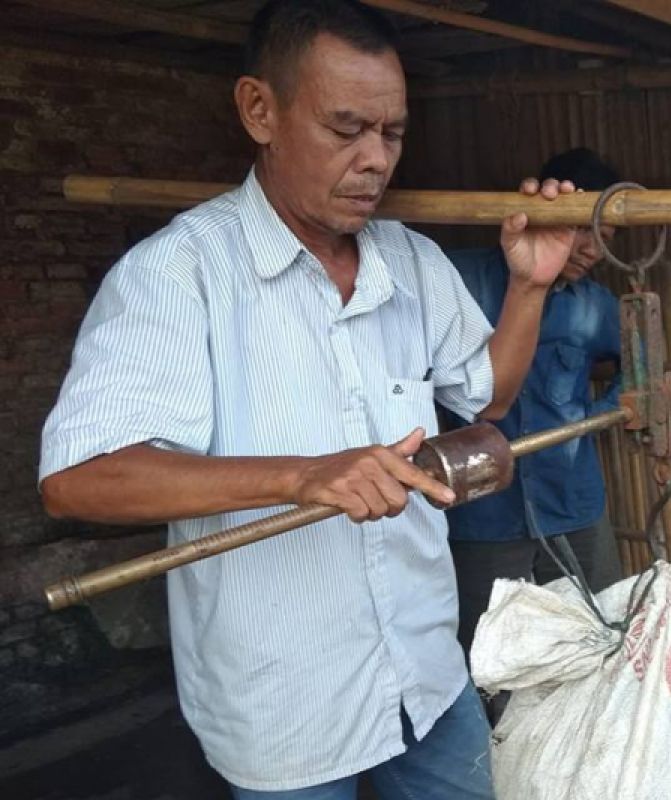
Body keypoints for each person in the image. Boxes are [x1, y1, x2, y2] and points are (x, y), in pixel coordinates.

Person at [36, 1, 578, 798]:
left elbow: (487, 396)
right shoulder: (178, 274)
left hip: (425, 680)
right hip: (284, 709)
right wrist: (301, 475)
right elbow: (79, 478)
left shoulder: (413, 262)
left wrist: (530, 286)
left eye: (391, 133)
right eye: (345, 129)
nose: (375, 161)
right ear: (260, 110)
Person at [444, 148, 624, 663]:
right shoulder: (459, 281)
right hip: (482, 511)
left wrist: (605, 413)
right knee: (491, 658)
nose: (590, 250)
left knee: (601, 639)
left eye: (605, 239)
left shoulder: (597, 307)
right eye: (582, 229)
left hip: (574, 502)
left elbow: (641, 362)